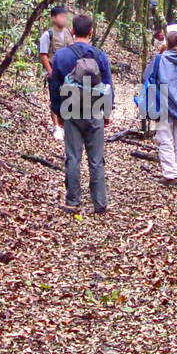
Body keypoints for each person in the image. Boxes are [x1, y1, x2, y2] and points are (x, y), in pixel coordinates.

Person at [49, 13, 113, 213]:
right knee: (96, 159)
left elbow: (54, 85)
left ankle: (73, 201)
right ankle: (100, 203)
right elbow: (108, 85)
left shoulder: (61, 56)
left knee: (73, 157)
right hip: (94, 110)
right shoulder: (99, 55)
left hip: (71, 109)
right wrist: (107, 113)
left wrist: (57, 111)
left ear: (73, 31)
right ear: (91, 31)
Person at [146, 29, 177, 184]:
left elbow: (147, 76)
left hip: (162, 105)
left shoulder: (159, 59)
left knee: (164, 140)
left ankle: (170, 174)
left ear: (167, 42)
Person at [38, 5, 73, 79]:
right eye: (61, 17)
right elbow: (43, 54)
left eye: (65, 17)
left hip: (69, 74)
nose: (64, 19)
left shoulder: (69, 33)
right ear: (53, 18)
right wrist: (50, 72)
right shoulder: (48, 34)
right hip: (55, 72)